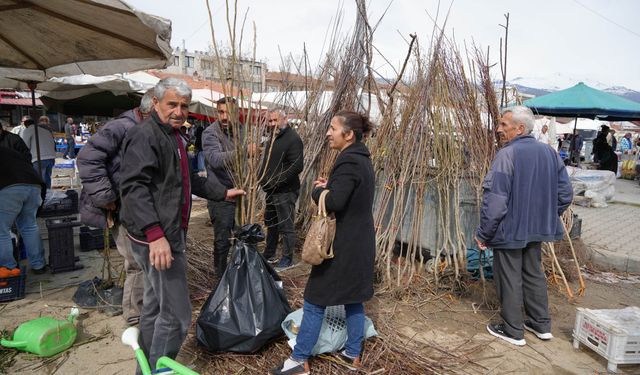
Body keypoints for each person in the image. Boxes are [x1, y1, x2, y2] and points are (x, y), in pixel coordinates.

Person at [119, 78, 245, 374]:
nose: (179, 111)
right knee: (176, 314)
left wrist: (222, 193)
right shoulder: (146, 136)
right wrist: (156, 236)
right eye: (172, 104)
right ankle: (161, 370)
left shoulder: (174, 136)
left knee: (153, 307)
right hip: (159, 238)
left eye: (184, 106)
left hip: (162, 233)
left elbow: (188, 178)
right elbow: (134, 188)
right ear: (156, 104)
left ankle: (146, 369)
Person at [271, 110, 375, 375]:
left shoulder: (349, 161)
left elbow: (336, 201)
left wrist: (319, 191)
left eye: (333, 128)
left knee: (315, 299)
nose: (328, 133)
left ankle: (299, 360)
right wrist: (333, 185)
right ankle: (352, 353)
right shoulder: (362, 158)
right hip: (359, 242)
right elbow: (347, 193)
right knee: (353, 299)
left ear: (348, 134)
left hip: (341, 247)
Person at [475, 106, 573, 347]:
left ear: (520, 128)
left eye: (503, 125)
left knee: (508, 277)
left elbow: (496, 199)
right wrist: (545, 215)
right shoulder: (549, 153)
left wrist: (484, 233)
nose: (498, 129)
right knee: (533, 273)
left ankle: (513, 330)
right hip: (536, 229)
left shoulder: (507, 155)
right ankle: (540, 325)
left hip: (509, 230)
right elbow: (565, 193)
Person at [76, 90, 153, 326]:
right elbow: (87, 158)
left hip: (136, 206)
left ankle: (144, 308)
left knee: (142, 261)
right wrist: (105, 196)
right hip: (118, 207)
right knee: (135, 262)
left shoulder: (148, 128)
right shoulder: (121, 127)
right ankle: (133, 314)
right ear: (149, 110)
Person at [201, 97, 244, 276]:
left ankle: (238, 274)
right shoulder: (211, 133)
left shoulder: (243, 130)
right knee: (222, 240)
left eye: (229, 112)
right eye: (221, 112)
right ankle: (220, 278)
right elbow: (215, 160)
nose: (224, 117)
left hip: (242, 193)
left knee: (242, 237)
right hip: (221, 194)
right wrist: (242, 152)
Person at [259, 109, 304, 269]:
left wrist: (276, 181)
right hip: (271, 190)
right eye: (269, 121)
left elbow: (296, 166)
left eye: (274, 120)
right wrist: (262, 178)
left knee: (286, 225)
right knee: (271, 223)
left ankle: (287, 257)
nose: (271, 124)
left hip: (285, 190)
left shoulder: (293, 139)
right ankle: (269, 253)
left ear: (285, 119)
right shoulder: (273, 137)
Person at [0, 147, 47, 275]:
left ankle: (8, 270)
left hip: (9, 187)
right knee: (29, 226)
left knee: (1, 230)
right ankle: (39, 265)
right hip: (34, 185)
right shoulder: (10, 151)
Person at [21, 116, 57, 189]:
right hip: (51, 157)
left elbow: (25, 146)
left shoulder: (28, 130)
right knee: (47, 179)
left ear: (26, 125)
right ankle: (48, 195)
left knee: (39, 180)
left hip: (39, 158)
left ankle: (42, 198)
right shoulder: (45, 131)